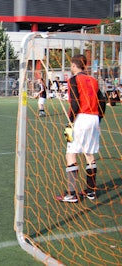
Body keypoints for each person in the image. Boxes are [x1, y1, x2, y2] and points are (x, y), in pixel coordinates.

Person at [56, 54, 106, 203]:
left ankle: (71, 193)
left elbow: (75, 104)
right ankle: (91, 191)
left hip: (80, 119)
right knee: (89, 154)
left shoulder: (73, 80)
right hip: (94, 119)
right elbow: (102, 101)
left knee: (70, 154)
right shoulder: (94, 80)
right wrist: (98, 119)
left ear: (73, 65)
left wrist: (69, 123)